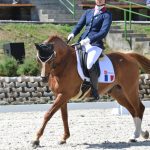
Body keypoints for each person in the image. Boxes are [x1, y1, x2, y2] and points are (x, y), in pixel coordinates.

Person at [67, 0, 112, 100]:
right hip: (81, 42)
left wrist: (89, 40)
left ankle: (94, 90)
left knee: (90, 63)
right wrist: (73, 33)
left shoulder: (107, 15)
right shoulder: (88, 12)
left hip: (95, 44)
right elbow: (79, 25)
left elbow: (103, 32)